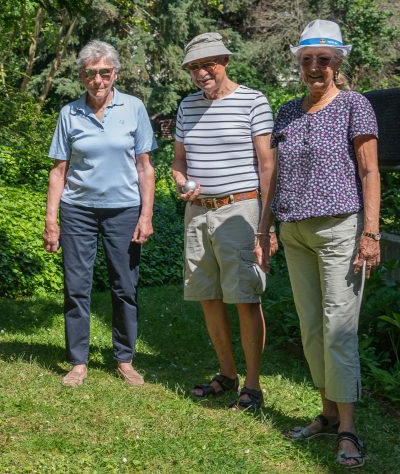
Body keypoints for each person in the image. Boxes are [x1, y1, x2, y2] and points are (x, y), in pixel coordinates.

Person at [271, 20, 380, 469]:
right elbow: (274, 176)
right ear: (299, 64)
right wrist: (265, 230)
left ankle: (349, 428)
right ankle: (328, 413)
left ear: (338, 62)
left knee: (339, 327)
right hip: (293, 231)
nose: (315, 67)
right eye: (307, 60)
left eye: (324, 59)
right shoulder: (287, 112)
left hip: (340, 229)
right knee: (312, 326)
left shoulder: (355, 105)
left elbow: (371, 172)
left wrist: (370, 233)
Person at [44, 40, 157, 388]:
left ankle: (124, 358)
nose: (98, 80)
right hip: (78, 210)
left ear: (115, 73)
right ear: (81, 76)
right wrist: (52, 221)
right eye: (90, 73)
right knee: (76, 287)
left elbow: (145, 168)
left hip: (124, 210)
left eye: (104, 72)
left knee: (125, 286)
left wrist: (146, 215)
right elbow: (59, 171)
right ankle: (78, 361)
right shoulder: (69, 113)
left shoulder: (134, 108)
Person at [172, 32, 276, 411]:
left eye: (208, 64)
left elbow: (268, 166)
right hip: (198, 211)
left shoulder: (253, 101)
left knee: (245, 297)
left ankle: (252, 385)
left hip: (242, 209)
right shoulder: (187, 106)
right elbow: (178, 161)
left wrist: (267, 225)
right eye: (194, 67)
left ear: (225, 61)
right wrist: (181, 180)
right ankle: (227, 374)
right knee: (208, 297)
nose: (202, 73)